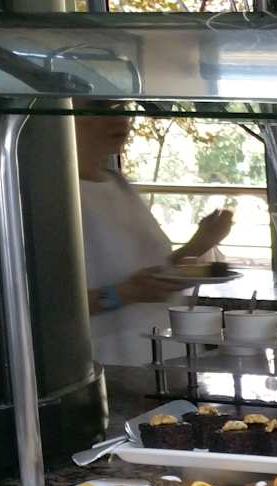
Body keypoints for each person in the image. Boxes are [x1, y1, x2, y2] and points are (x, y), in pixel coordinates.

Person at [75, 106, 234, 367]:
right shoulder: (58, 193)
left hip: (164, 353)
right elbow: (48, 307)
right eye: (103, 108)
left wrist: (199, 244)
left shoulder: (118, 184)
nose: (120, 119)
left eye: (123, 108)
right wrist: (123, 294)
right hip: (111, 363)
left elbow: (150, 272)